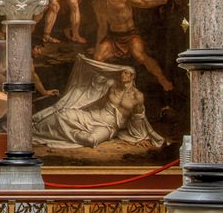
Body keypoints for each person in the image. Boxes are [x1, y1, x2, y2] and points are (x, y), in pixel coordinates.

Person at [33, 55, 164, 149]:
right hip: (92, 116)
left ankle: (70, 134)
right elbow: (95, 78)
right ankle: (35, 131)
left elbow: (138, 118)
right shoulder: (112, 84)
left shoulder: (137, 96)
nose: (122, 75)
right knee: (61, 114)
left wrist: (142, 136)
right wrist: (84, 62)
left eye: (125, 73)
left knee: (91, 140)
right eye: (122, 72)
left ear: (132, 76)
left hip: (108, 126)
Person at [88, 0, 175, 91]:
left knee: (139, 55)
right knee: (97, 57)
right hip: (114, 37)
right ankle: (108, 86)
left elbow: (142, 3)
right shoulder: (97, 5)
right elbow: (102, 27)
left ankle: (162, 80)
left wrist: (162, 1)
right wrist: (97, 46)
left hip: (130, 34)